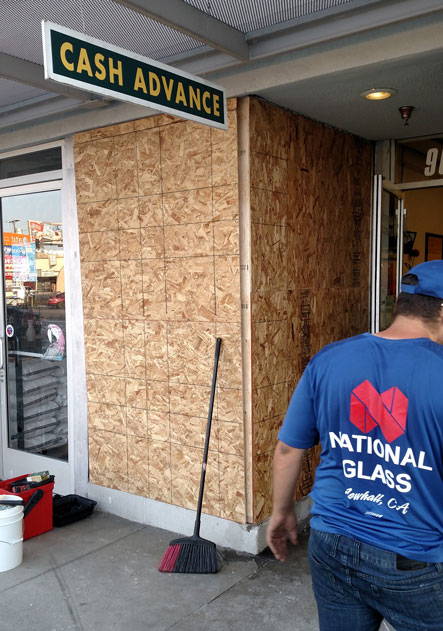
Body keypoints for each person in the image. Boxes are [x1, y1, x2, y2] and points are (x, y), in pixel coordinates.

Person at [266, 260, 443, 631]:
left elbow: (287, 450)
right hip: (418, 559)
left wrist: (281, 511)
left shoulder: (330, 358)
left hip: (332, 541)